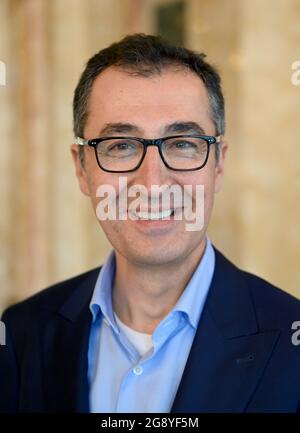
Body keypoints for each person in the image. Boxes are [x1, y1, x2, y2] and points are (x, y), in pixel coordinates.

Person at [0, 34, 299, 413]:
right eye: (122, 146)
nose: (153, 183)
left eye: (182, 144)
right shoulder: (20, 334)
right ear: (81, 168)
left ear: (218, 165)